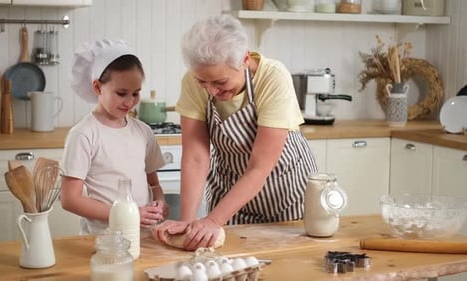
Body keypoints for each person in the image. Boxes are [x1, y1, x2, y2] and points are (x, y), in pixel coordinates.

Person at [152, 15, 318, 250]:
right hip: (230, 195)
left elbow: (260, 166)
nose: (211, 90)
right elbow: (196, 157)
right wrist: (187, 222)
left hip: (286, 193)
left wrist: (212, 220)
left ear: (244, 59)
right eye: (202, 82)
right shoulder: (192, 82)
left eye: (220, 82)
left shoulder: (272, 77)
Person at [61, 39, 169, 235]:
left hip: (145, 237)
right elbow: (70, 199)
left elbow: (153, 184)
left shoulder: (143, 132)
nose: (129, 102)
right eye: (121, 93)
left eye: (136, 93)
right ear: (97, 87)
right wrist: (127, 214)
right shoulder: (84, 134)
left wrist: (160, 203)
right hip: (103, 239)